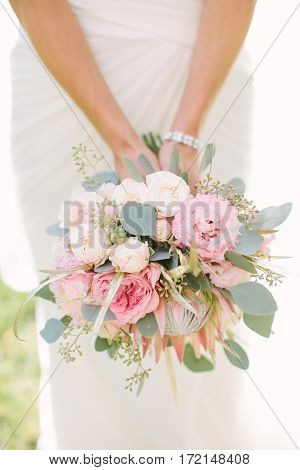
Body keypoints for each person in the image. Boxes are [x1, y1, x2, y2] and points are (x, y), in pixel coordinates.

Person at [9, 0, 257, 449]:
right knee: (77, 312)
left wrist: (187, 132)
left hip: (203, 58)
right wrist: (120, 139)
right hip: (62, 71)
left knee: (209, 302)